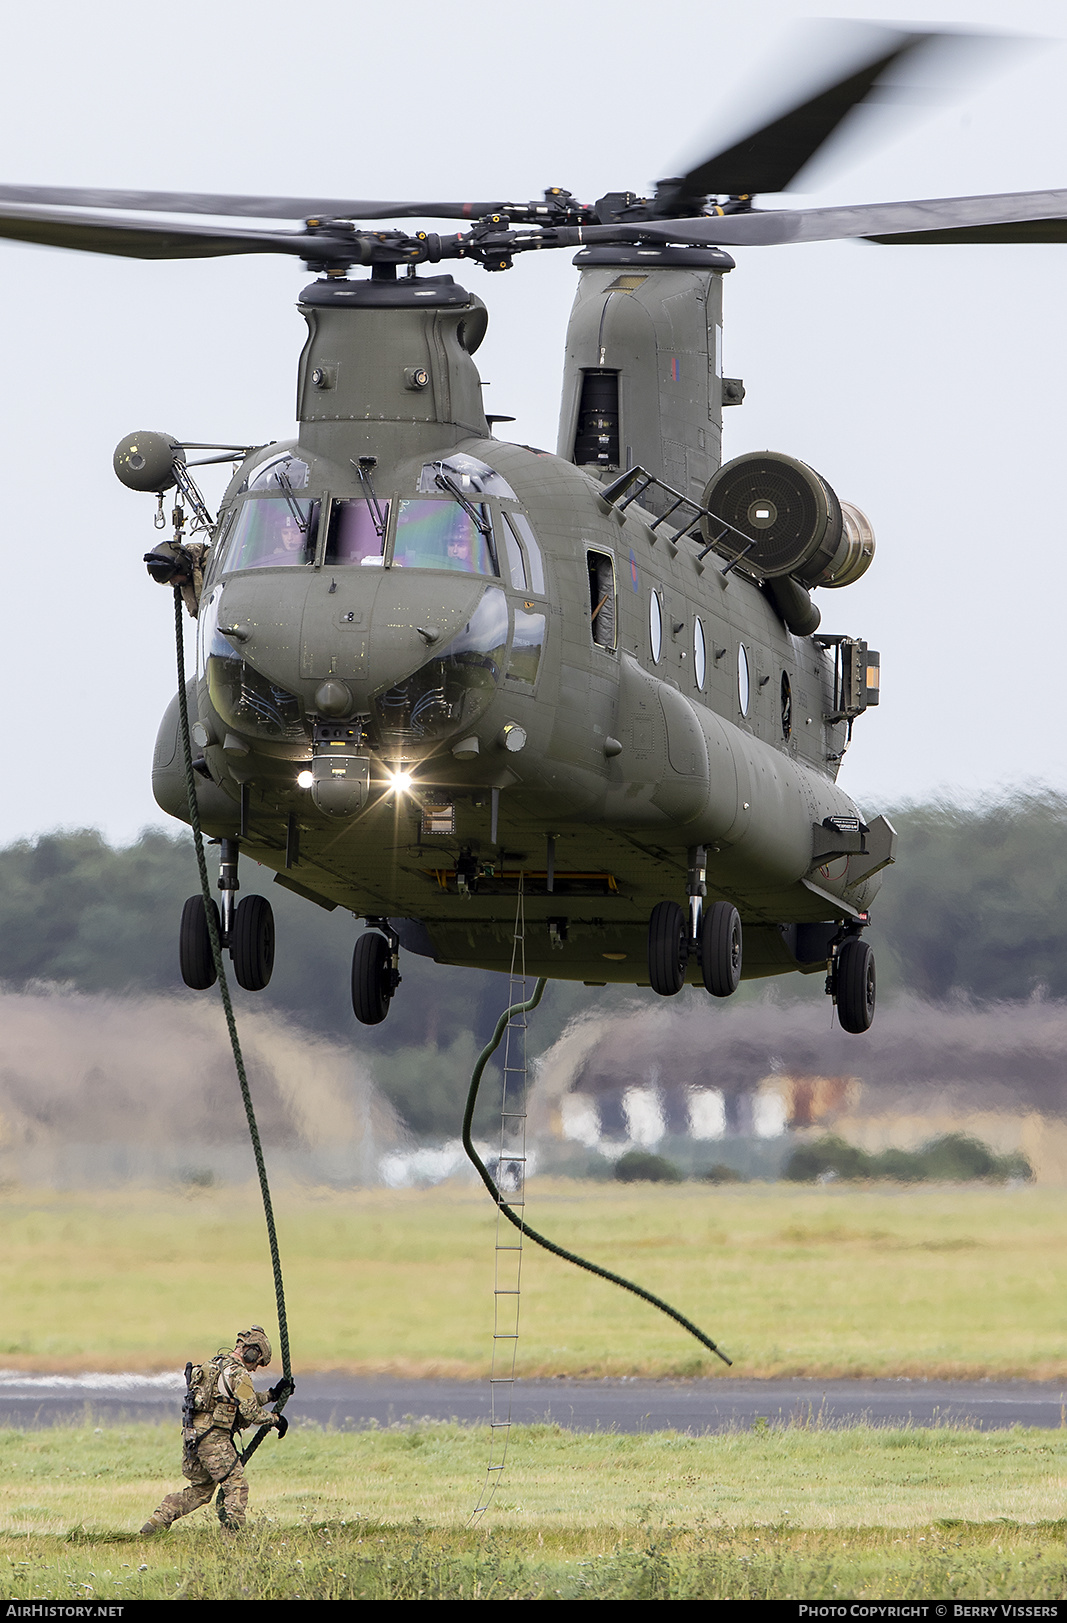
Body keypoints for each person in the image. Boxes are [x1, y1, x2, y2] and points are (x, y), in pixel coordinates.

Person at [140, 1325, 290, 1535]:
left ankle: (156, 1522)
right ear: (252, 1352)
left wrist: (272, 1395)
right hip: (214, 1439)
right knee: (236, 1485)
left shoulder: (213, 1365)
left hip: (193, 1437)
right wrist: (276, 1420)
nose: (255, 1368)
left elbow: (234, 1400)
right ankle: (232, 1538)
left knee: (201, 1490)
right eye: (258, 1361)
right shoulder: (238, 1374)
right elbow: (251, 1413)